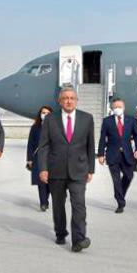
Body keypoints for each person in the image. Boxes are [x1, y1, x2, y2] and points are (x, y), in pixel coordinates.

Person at [38, 87, 95, 252]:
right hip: (56, 170)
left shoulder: (87, 118)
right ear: (60, 101)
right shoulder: (50, 119)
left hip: (79, 169)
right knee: (58, 204)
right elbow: (43, 146)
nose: (69, 101)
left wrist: (91, 168)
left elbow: (90, 145)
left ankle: (78, 239)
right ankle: (60, 232)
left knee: (79, 205)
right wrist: (43, 168)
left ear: (76, 101)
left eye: (72, 98)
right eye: (65, 98)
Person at [97, 98, 137, 213]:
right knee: (116, 180)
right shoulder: (107, 121)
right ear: (112, 108)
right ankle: (120, 203)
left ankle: (119, 193)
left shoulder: (131, 120)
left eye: (119, 107)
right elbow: (102, 138)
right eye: (115, 107)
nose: (117, 109)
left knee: (129, 176)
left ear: (124, 108)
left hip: (127, 154)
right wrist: (101, 154)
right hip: (112, 154)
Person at [26, 106, 52, 211]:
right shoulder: (35, 127)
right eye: (42, 112)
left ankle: (45, 198)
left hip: (52, 158)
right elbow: (30, 144)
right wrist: (29, 159)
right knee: (41, 181)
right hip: (38, 157)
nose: (44, 115)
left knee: (50, 182)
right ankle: (43, 203)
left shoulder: (56, 126)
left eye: (47, 113)